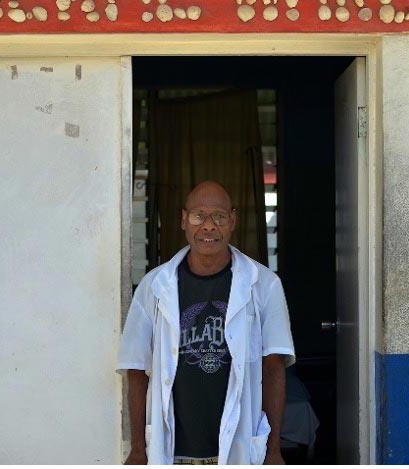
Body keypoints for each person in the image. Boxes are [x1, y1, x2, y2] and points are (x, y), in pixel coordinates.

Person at [117, 181, 295, 465]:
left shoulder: (264, 284)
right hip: (172, 450)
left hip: (238, 447)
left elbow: (273, 367)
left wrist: (273, 451)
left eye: (219, 217)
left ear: (233, 221)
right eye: (199, 216)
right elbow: (137, 370)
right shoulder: (153, 287)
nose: (209, 226)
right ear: (183, 220)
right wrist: (139, 449)